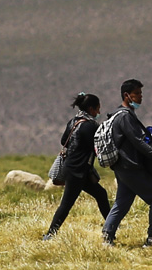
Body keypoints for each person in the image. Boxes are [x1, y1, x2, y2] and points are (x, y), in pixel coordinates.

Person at [101, 78, 152, 247]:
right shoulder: (125, 117)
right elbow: (138, 142)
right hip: (131, 166)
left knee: (123, 201)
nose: (141, 97)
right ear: (127, 95)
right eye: (137, 94)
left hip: (122, 166)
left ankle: (107, 236)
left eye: (141, 93)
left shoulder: (119, 114)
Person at [42, 92, 111, 240]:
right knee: (66, 204)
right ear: (91, 109)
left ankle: (111, 226)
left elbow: (63, 141)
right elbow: (98, 146)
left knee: (101, 194)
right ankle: (50, 234)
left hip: (74, 169)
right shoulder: (90, 126)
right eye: (98, 108)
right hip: (78, 172)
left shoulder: (74, 121)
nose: (99, 112)